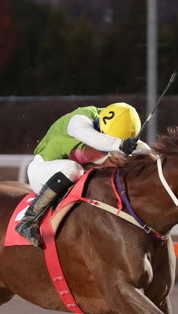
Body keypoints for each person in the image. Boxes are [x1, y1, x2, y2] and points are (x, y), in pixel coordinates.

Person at [15, 102, 148, 247]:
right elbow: (96, 138)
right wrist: (120, 144)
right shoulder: (79, 120)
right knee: (73, 169)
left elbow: (142, 150)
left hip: (71, 179)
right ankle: (28, 221)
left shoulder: (110, 124)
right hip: (42, 171)